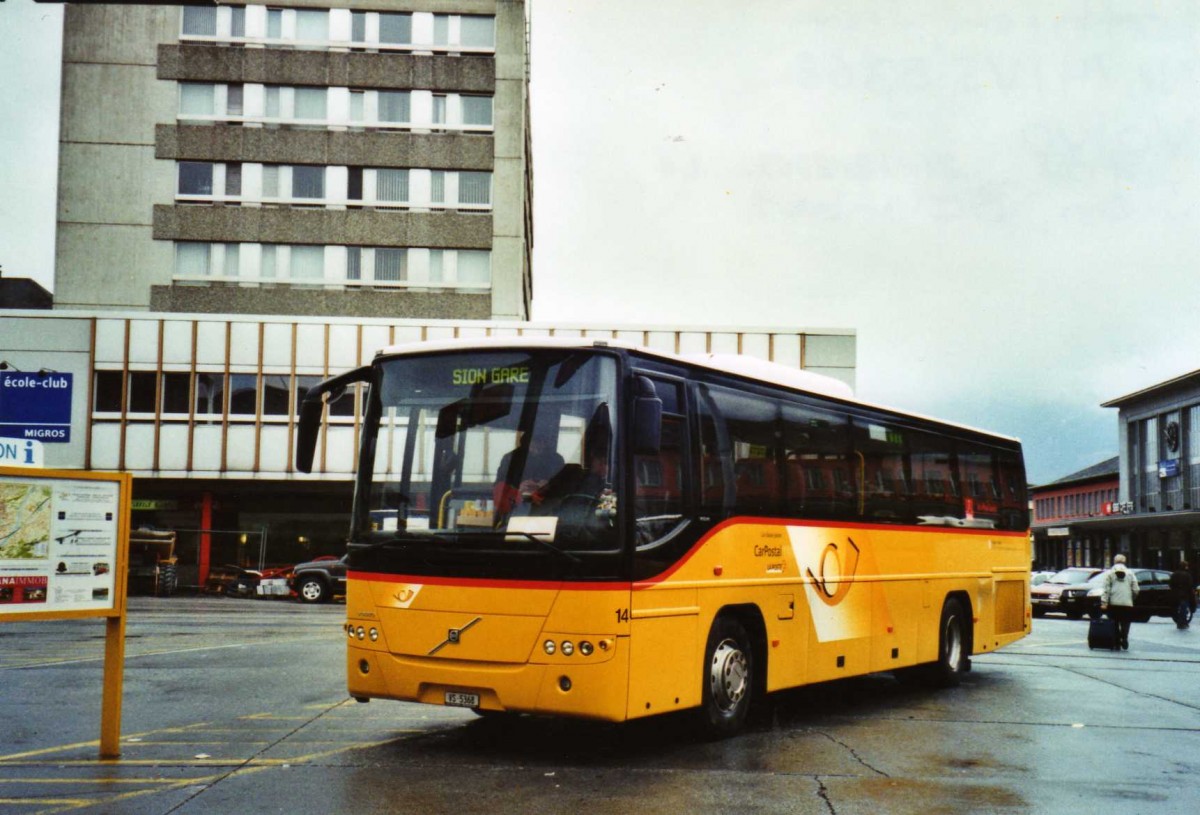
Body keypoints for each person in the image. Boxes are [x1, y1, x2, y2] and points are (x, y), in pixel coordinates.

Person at [492, 433, 564, 517]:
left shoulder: (555, 459)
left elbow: (563, 485)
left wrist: (548, 485)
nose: (537, 446)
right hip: (517, 506)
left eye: (541, 443)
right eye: (533, 443)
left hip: (548, 504)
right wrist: (518, 488)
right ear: (525, 443)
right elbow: (499, 485)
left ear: (545, 443)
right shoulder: (511, 458)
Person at [1100, 554, 1140, 650]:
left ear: (1114, 561)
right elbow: (1136, 589)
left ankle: (1117, 642)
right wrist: (1131, 598)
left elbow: (1106, 589)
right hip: (1127, 603)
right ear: (1124, 562)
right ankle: (1124, 637)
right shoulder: (1130, 573)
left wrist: (1104, 602)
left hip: (1113, 603)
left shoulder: (1109, 573)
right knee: (1126, 622)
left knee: (1114, 623)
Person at [1169, 561, 1196, 630]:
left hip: (1175, 594)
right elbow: (1190, 586)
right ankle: (1182, 623)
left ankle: (1178, 621)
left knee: (1175, 609)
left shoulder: (1174, 574)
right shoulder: (1187, 575)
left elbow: (1170, 584)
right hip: (1184, 595)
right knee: (1184, 609)